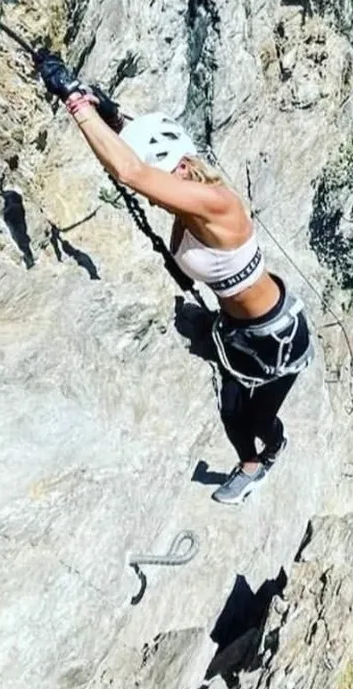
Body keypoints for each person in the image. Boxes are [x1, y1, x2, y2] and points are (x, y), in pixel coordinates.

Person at [35, 50, 313, 505]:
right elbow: (144, 153)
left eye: (167, 181)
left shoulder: (216, 203)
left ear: (182, 169)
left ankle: (272, 449)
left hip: (278, 335)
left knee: (261, 420)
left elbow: (131, 170)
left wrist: (75, 103)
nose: (160, 195)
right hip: (238, 331)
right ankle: (248, 463)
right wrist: (110, 113)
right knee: (230, 412)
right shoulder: (186, 195)